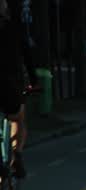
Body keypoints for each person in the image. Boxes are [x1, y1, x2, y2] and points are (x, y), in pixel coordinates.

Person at [0, 0, 38, 179]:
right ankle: (17, 155)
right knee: (18, 119)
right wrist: (34, 81)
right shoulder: (15, 29)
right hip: (10, 86)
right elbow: (28, 57)